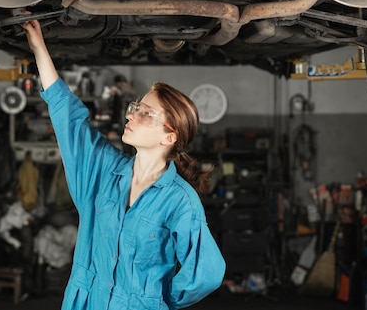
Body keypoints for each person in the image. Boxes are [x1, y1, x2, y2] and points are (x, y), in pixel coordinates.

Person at [22, 18, 225, 310]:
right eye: (135, 108)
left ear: (169, 136)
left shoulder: (180, 201)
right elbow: (69, 120)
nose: (131, 116)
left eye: (146, 114)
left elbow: (206, 274)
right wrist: (39, 49)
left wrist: (156, 300)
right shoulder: (104, 171)